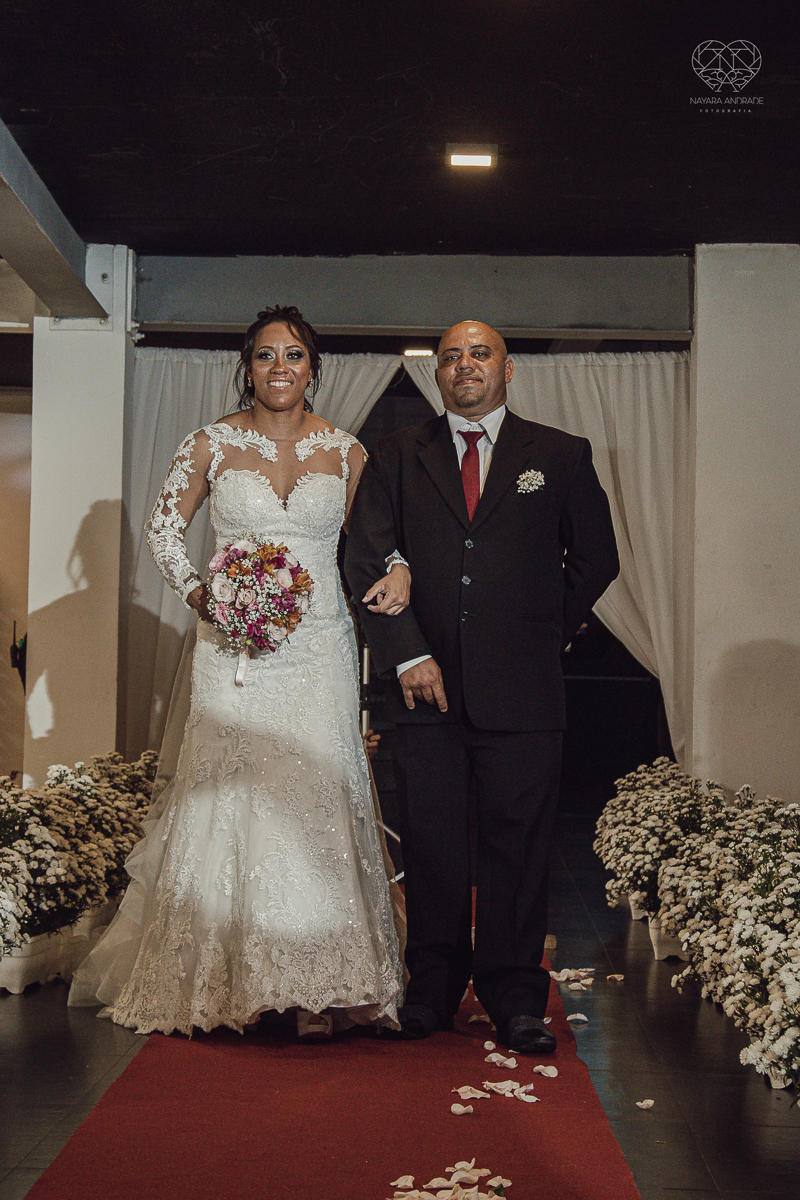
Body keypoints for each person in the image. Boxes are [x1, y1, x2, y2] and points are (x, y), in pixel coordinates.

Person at [69, 306, 407, 1037]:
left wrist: (402, 567)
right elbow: (164, 529)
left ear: (314, 368)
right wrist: (204, 597)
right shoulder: (209, 445)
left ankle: (322, 978)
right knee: (235, 795)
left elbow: (378, 540)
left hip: (320, 647)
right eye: (265, 356)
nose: (279, 368)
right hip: (236, 653)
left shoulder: (347, 452)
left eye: (293, 356)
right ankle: (233, 977)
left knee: (315, 788)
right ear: (246, 366)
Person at [344, 320, 619, 1053]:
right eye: (451, 357)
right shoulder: (400, 455)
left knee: (517, 850)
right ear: (437, 373)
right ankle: (430, 989)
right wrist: (405, 655)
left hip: (524, 694)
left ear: (508, 369)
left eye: (480, 353)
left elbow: (596, 557)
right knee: (433, 847)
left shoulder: (558, 455)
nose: (465, 366)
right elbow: (366, 555)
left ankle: (515, 996)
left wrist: (540, 631)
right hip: (423, 692)